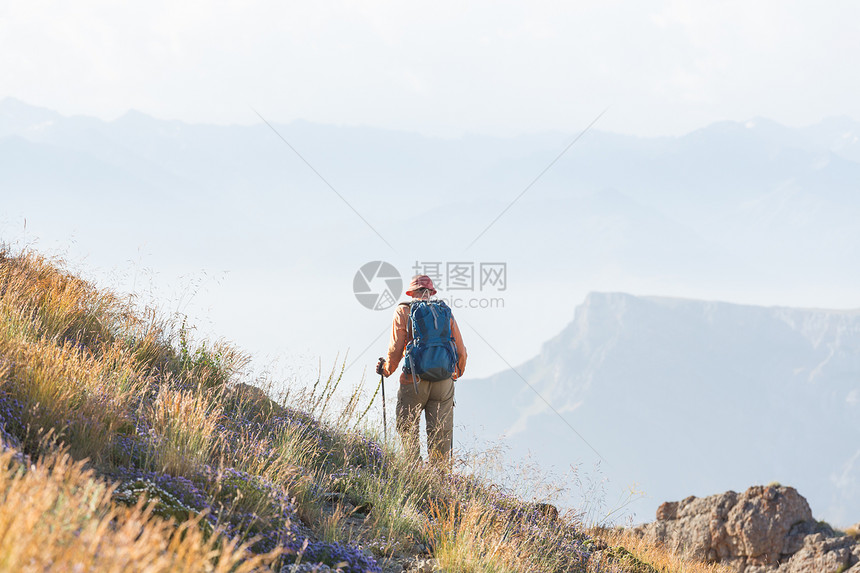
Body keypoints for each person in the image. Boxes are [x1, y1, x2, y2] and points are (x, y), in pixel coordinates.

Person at [376, 275, 467, 466]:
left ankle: (413, 471)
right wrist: (454, 374)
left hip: (414, 381)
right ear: (432, 293)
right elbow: (461, 350)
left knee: (407, 428)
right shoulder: (444, 311)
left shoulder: (404, 310)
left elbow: (396, 348)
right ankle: (440, 479)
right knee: (440, 434)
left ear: (411, 292)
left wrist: (386, 369)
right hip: (444, 383)